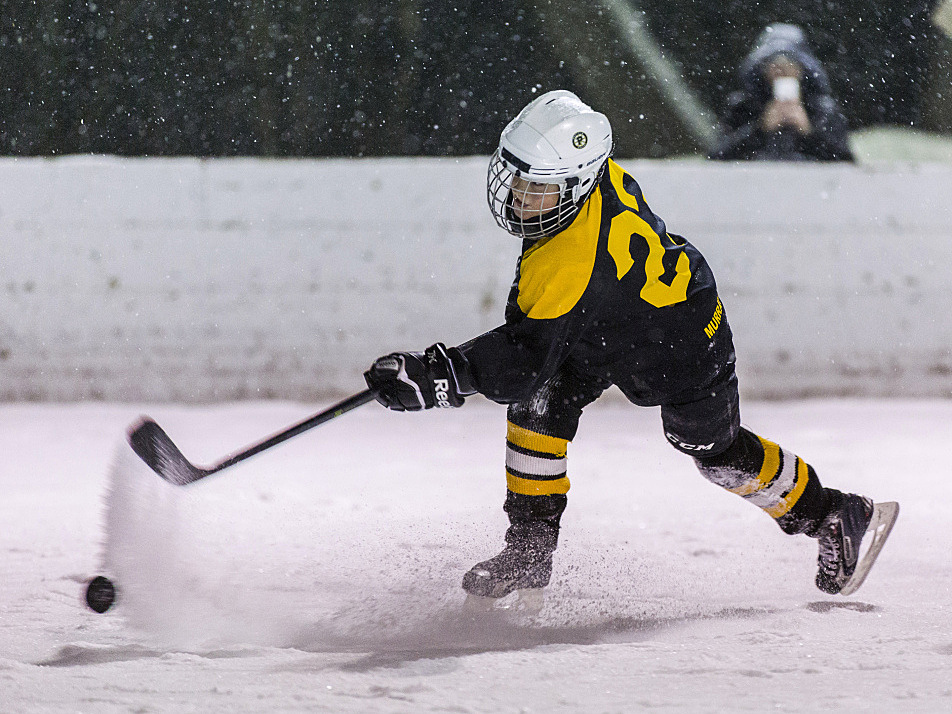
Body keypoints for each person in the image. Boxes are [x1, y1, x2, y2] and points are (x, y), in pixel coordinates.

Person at [364, 90, 896, 603]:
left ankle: (834, 511)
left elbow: (521, 360)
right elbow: (535, 350)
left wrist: (439, 374)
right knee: (540, 406)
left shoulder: (568, 260)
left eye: (538, 186)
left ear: (576, 184)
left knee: (710, 449)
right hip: (607, 322)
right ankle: (529, 549)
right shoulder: (597, 178)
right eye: (518, 177)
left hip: (681, 334)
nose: (519, 196)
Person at [709, 23, 854, 162]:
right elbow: (716, 158)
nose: (782, 72)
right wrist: (760, 129)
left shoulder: (823, 109)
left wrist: (809, 132)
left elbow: (846, 163)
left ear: (802, 70)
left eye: (790, 65)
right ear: (763, 69)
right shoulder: (742, 107)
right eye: (775, 66)